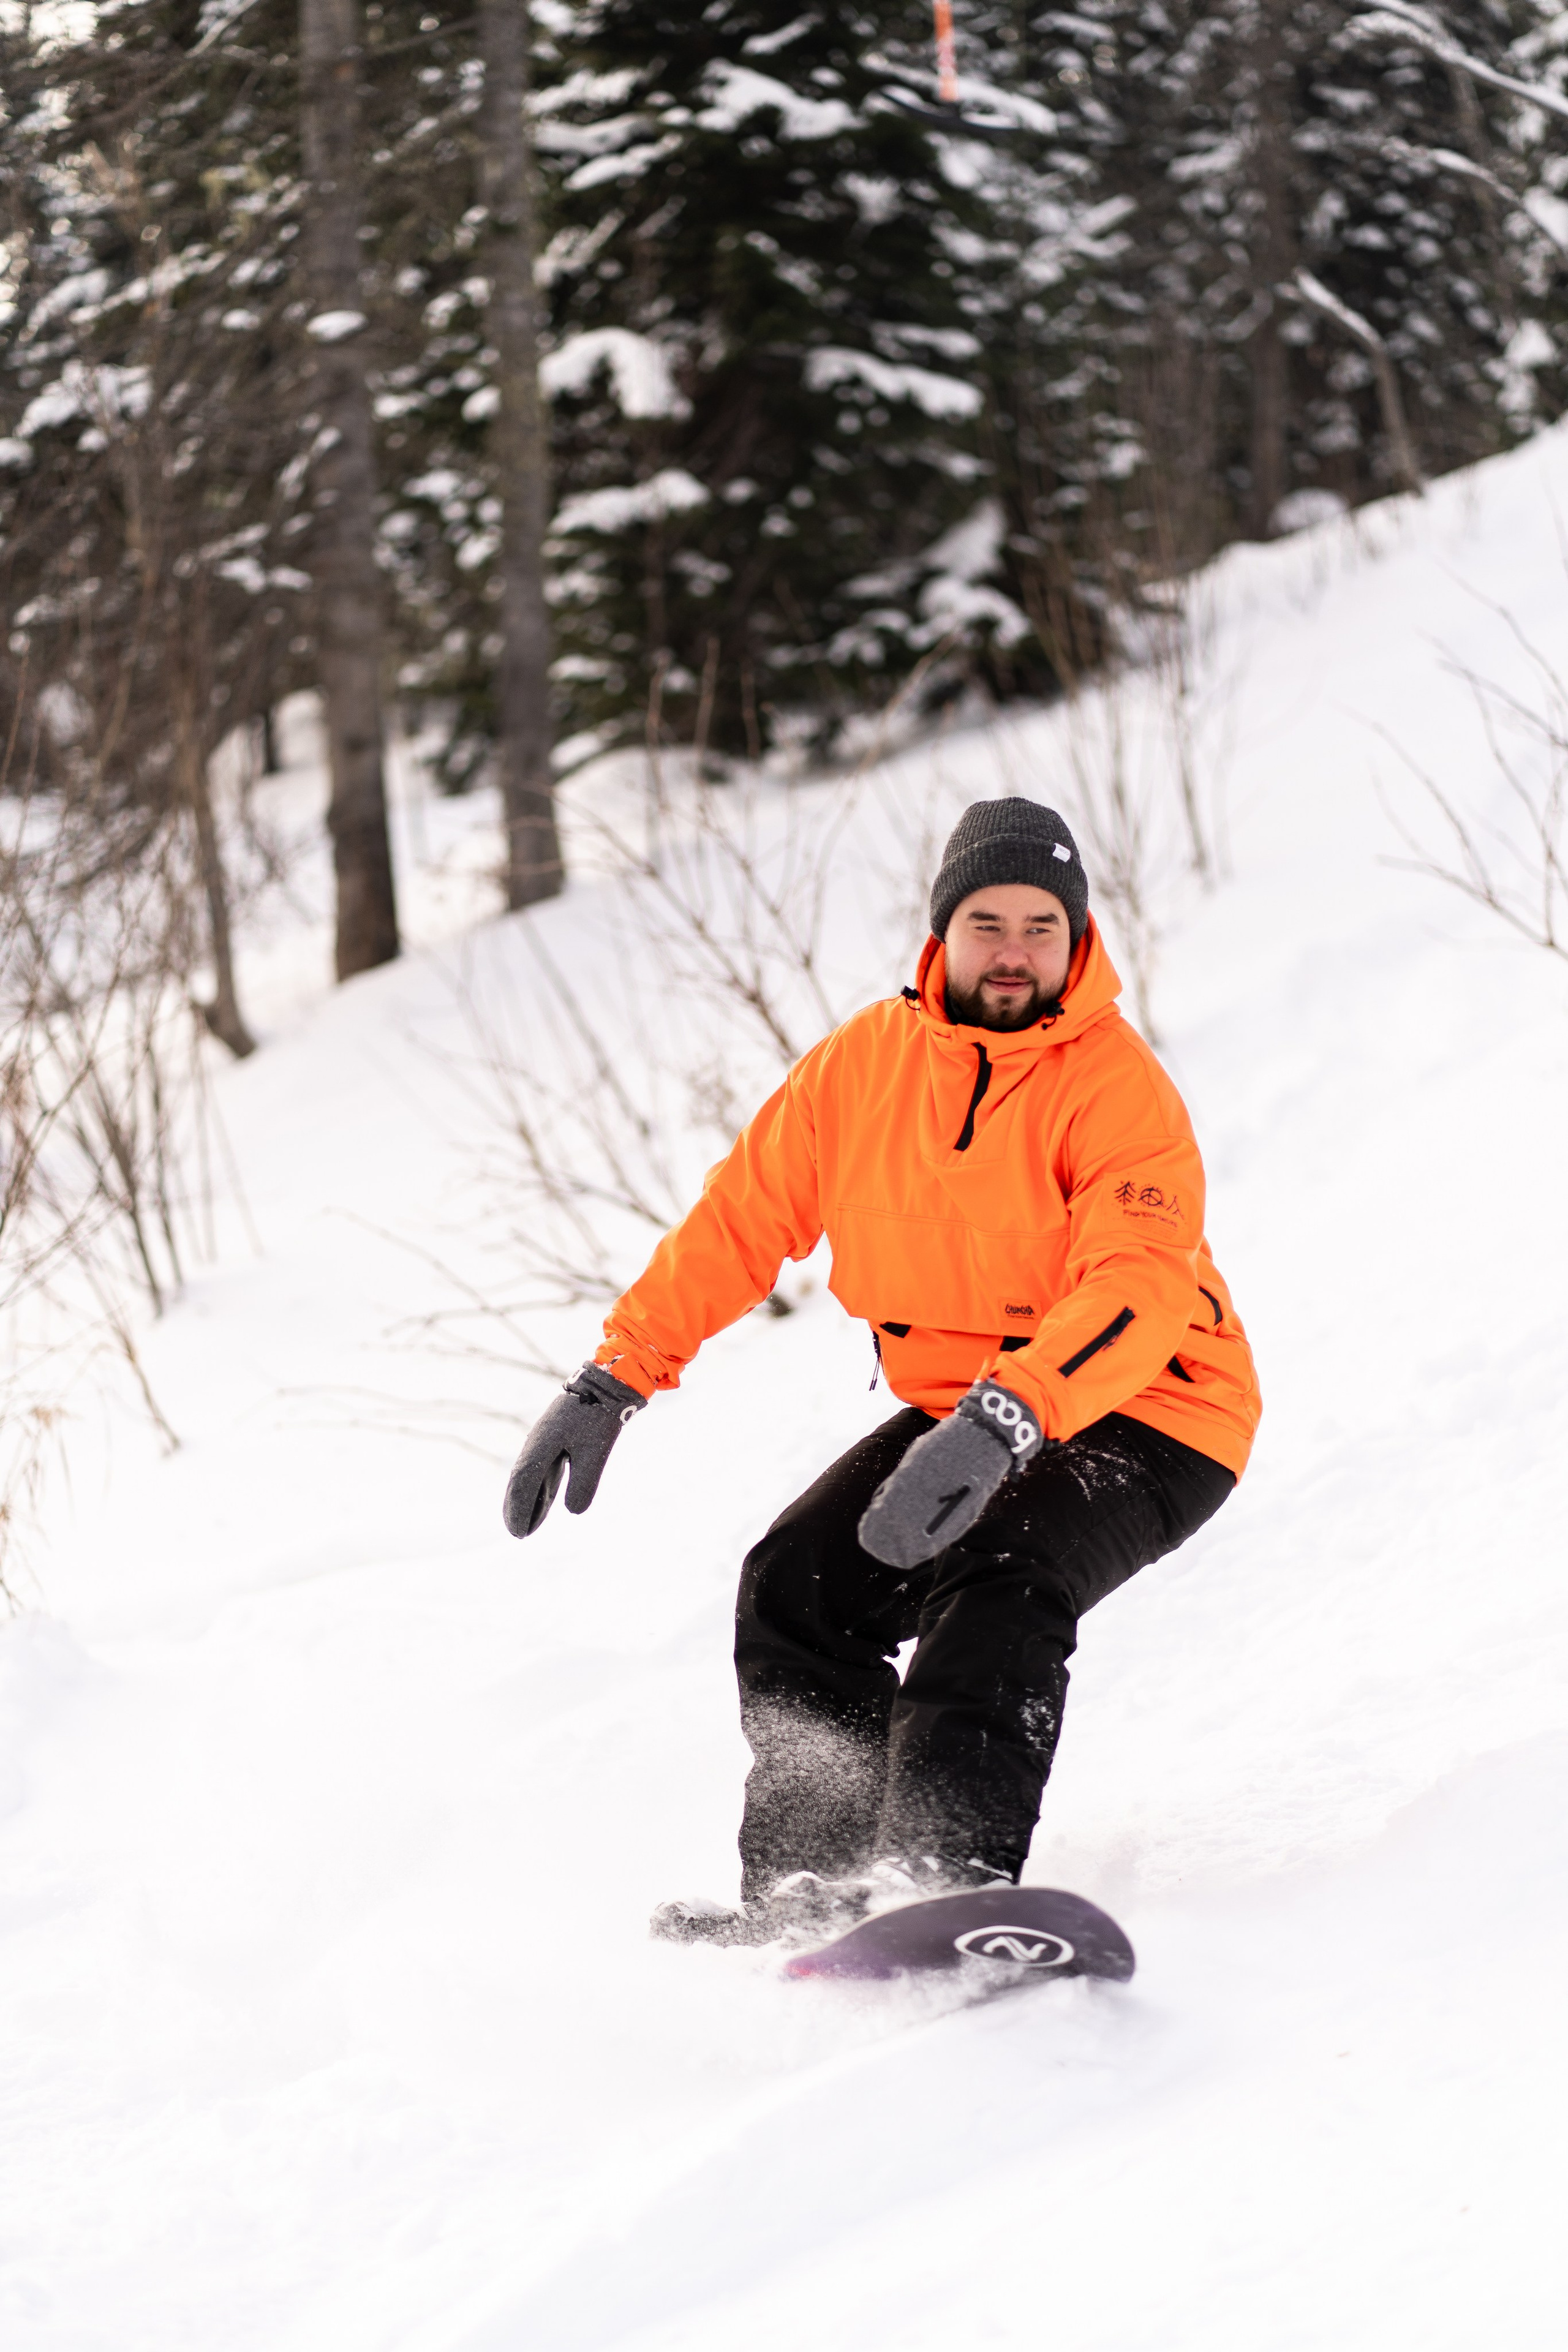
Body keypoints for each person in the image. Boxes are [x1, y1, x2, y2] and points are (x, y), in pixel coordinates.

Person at [502, 798, 1261, 1942]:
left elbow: (1137, 1288)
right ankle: (810, 1894)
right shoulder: (865, 1065)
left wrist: (1013, 1417)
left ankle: (939, 1876)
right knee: (798, 1584)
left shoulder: (1117, 1090)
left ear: (1076, 941)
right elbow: (738, 1224)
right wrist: (617, 1375)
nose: (1014, 952)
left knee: (1001, 1563)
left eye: (1041, 928)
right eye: (989, 922)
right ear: (942, 933)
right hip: (976, 1408)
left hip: (1156, 1411)